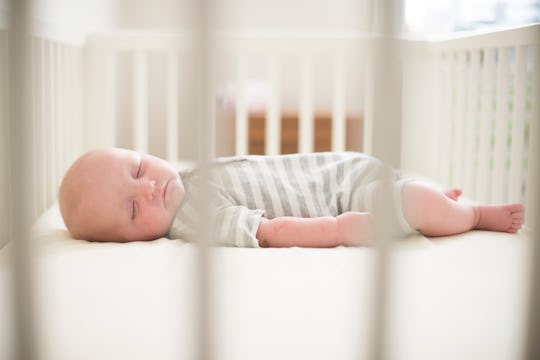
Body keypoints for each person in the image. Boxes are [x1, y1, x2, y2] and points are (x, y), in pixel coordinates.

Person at [58, 147, 525, 247]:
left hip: (344, 168)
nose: (148, 187)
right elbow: (272, 229)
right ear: (125, 240)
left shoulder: (185, 178)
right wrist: (342, 228)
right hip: (346, 194)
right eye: (133, 208)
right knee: (415, 205)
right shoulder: (195, 218)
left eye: (139, 168)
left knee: (408, 189)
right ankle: (474, 213)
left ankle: (433, 196)